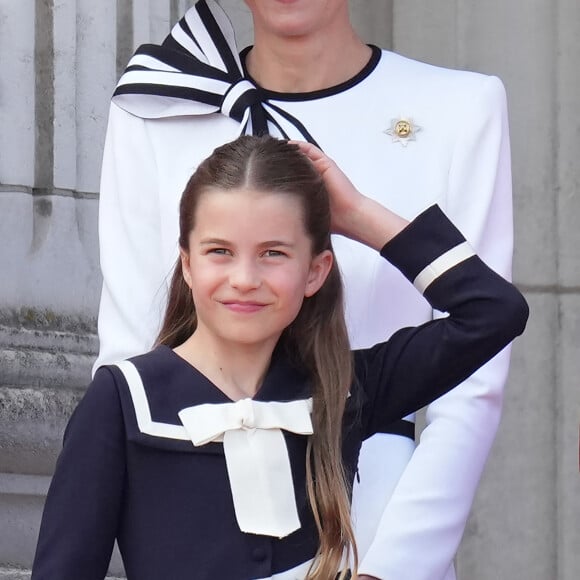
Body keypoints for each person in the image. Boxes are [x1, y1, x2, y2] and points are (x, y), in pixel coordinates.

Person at [95, 1, 514, 578]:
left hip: (373, 507)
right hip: (198, 508)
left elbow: (471, 384)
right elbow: (133, 354)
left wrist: (393, 569)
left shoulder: (462, 107)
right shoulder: (158, 104)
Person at [33, 136, 527, 580]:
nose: (245, 278)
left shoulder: (345, 388)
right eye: (220, 251)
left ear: (316, 271)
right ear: (187, 263)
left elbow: (494, 312)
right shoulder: (124, 401)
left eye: (273, 253)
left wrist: (357, 214)